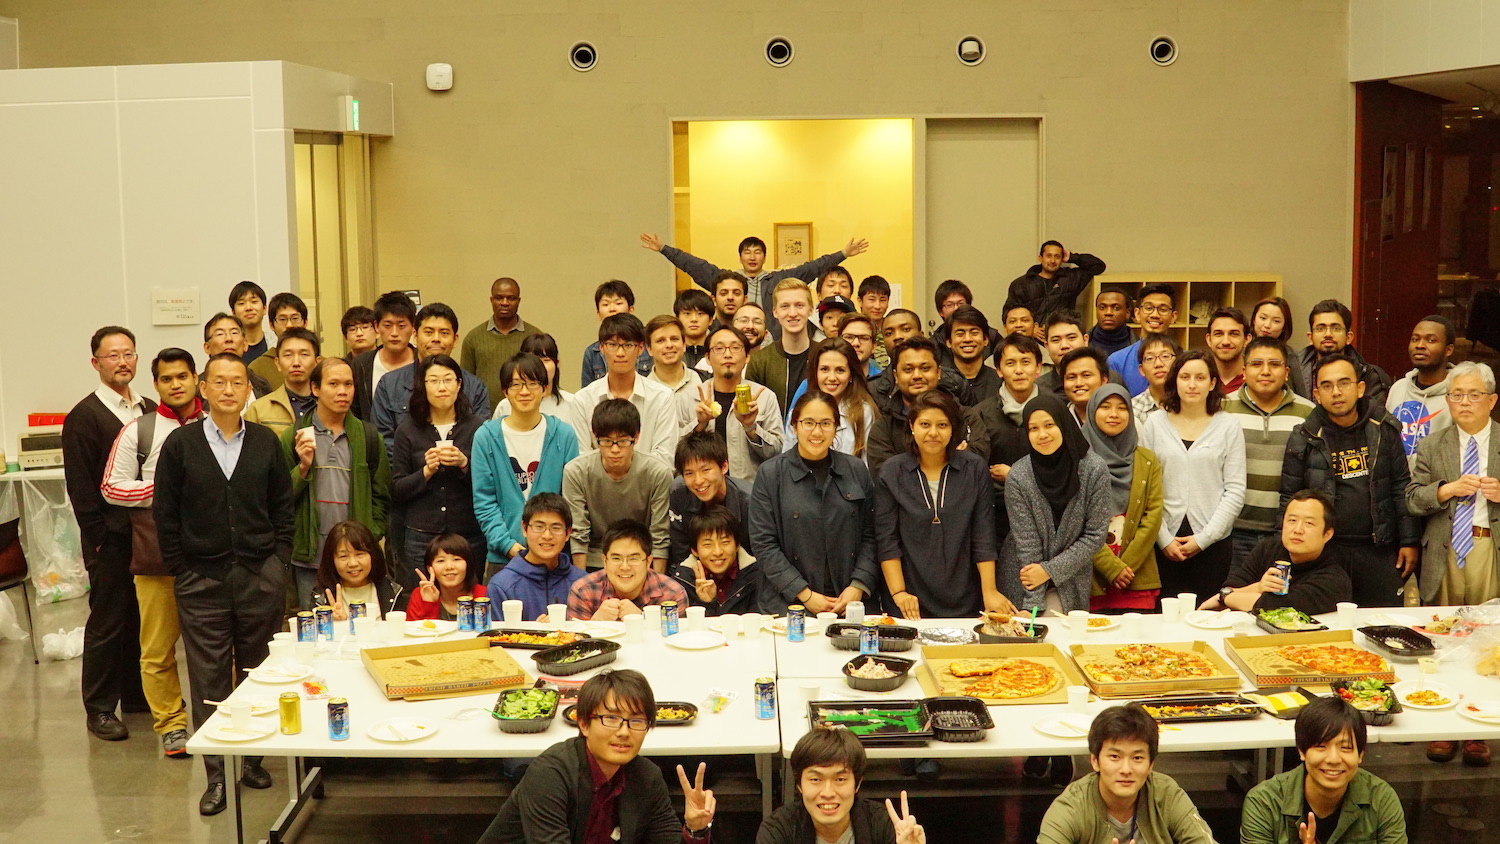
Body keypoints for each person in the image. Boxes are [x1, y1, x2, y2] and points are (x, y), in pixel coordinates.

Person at [153, 352, 292, 815]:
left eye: (237, 382)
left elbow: (282, 508)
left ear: (248, 389)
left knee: (257, 674)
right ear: (204, 388)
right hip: (201, 581)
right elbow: (165, 514)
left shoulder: (266, 442)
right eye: (219, 381)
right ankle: (216, 775)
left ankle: (252, 760)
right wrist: (182, 568)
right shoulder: (180, 445)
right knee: (209, 679)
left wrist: (278, 562)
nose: (229, 390)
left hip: (259, 576)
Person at [475, 669, 715, 844]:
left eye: (636, 721)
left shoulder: (646, 776)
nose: (624, 732)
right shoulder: (550, 774)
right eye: (611, 718)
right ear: (583, 723)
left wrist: (695, 830)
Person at [100, 348, 202, 758]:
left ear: (196, 379)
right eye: (166, 378)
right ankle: (172, 725)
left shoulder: (218, 424)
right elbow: (111, 487)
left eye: (183, 376)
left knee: (220, 646)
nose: (176, 384)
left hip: (212, 556)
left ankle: (223, 720)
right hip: (157, 556)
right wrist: (164, 492)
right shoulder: (138, 431)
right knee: (158, 650)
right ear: (156, 384)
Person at [1407, 361, 1500, 767]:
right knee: (1445, 639)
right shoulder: (1433, 444)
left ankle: (1480, 728)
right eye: (1457, 395)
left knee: (1488, 640)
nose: (1464, 402)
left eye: (1473, 395)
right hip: (1444, 550)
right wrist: (1446, 490)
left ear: (1491, 401)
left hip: (1488, 547)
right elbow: (1412, 498)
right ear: (1447, 401)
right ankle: (1444, 726)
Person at [64, 326, 154, 742]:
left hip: (145, 535)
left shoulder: (149, 408)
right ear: (95, 362)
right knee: (108, 621)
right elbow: (80, 486)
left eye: (128, 353)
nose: (122, 361)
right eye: (113, 355)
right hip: (109, 538)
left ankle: (135, 696)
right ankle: (99, 708)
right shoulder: (84, 416)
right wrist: (98, 537)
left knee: (141, 618)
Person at [1281, 351, 1418, 608]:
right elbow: (1290, 497)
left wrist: (1409, 540)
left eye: (1344, 383)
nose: (1336, 392)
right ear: (1316, 394)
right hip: (1325, 552)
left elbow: (1400, 486)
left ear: (1360, 388)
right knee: (1323, 623)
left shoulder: (1384, 429)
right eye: (1327, 386)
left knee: (1381, 622)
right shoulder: (1304, 435)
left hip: (1378, 549)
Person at [876, 390, 1006, 619]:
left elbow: (983, 535)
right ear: (912, 426)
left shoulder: (974, 469)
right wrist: (899, 593)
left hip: (966, 597)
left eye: (942, 425)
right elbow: (887, 540)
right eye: (925, 424)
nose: (933, 433)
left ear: (953, 428)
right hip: (908, 601)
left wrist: (990, 591)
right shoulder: (892, 471)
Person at [751, 391, 878, 615]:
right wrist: (803, 593)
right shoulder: (771, 474)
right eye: (808, 423)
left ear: (836, 427)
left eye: (826, 423)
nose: (817, 432)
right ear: (794, 426)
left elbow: (872, 535)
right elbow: (763, 543)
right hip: (788, 603)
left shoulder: (856, 470)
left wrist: (858, 585)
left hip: (848, 600)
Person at [282, 356, 391, 609]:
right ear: (315, 388)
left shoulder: (368, 436)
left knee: (361, 624)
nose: (343, 391)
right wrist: (303, 467)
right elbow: (279, 498)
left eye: (348, 384)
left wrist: (370, 534)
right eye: (333, 384)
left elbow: (382, 495)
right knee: (315, 625)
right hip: (309, 557)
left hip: (355, 559)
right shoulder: (294, 436)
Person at [1138, 350, 1247, 601]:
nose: (1192, 384)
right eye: (1185, 377)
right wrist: (1163, 539)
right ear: (1174, 381)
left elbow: (1235, 490)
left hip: (1213, 542)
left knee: (1206, 614)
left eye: (1200, 377)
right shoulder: (1155, 423)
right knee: (1164, 616)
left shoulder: (1228, 426)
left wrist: (1204, 539)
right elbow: (1144, 488)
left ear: (1212, 383)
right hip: (1162, 539)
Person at [641, 229, 869, 341]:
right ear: (740, 257)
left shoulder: (778, 280)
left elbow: (812, 268)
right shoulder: (726, 280)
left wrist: (843, 254)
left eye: (757, 252)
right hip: (730, 338)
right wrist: (664, 249)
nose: (752, 257)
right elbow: (694, 265)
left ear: (764, 257)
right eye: (747, 252)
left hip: (772, 341)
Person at [1037, 703, 1215, 844]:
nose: (1126, 769)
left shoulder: (1166, 794)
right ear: (1095, 761)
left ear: (1151, 764)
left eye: (1137, 758)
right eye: (1115, 757)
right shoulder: (1070, 807)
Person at [999, 394, 1112, 612]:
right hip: (1024, 578)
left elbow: (1095, 535)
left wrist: (1049, 570)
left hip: (1070, 576)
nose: (1042, 434)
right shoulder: (1019, 475)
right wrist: (1032, 605)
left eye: (1049, 425)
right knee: (1029, 630)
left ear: (1063, 423)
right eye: (1033, 428)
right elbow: (1027, 543)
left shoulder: (1094, 469)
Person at [1239, 697, 1407, 844]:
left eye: (1346, 747)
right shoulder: (1265, 803)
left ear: (1360, 754)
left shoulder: (1381, 799)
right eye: (1320, 746)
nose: (1333, 759)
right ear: (1301, 751)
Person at [472, 353, 580, 578]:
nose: (524, 391)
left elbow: (571, 499)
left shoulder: (563, 435)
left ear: (544, 388)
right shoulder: (486, 437)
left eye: (532, 383)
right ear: (505, 391)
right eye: (516, 384)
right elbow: (484, 502)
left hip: (554, 556)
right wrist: (508, 546)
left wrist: (549, 543)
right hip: (503, 559)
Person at [1223, 336, 1316, 563]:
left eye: (1274, 364)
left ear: (1286, 372)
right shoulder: (1222, 408)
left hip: (1286, 531)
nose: (1265, 371)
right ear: (1244, 371)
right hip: (1232, 530)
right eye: (1256, 364)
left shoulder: (1309, 413)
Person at [391, 353, 487, 569]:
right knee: (422, 589)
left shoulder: (478, 428)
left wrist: (464, 464)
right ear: (423, 386)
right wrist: (426, 472)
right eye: (433, 381)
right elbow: (397, 489)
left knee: (469, 589)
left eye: (448, 380)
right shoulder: (407, 431)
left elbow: (489, 485)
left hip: (468, 534)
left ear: (459, 384)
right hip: (421, 535)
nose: (441, 387)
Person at [757, 727, 926, 844]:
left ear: (857, 784)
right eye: (815, 779)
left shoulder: (882, 825)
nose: (828, 793)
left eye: (840, 780)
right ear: (799, 785)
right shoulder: (778, 831)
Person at [1200, 489, 1352, 616]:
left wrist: (1225, 597)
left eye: (1309, 523)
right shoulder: (1268, 549)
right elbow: (1233, 586)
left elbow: (1274, 606)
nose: (1298, 530)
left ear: (1327, 534)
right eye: (1292, 520)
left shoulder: (1333, 578)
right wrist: (1258, 587)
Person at [1083, 385, 1165, 613]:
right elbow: (1075, 522)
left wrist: (1124, 567)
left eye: (1121, 408)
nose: (1114, 414)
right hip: (1091, 578)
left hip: (1135, 577)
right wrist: (1110, 567)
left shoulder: (1147, 460)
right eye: (1105, 407)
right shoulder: (1077, 460)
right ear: (1092, 411)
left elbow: (1153, 516)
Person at [563, 400, 672, 570]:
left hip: (641, 559)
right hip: (595, 559)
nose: (614, 449)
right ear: (595, 436)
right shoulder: (576, 471)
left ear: (636, 437)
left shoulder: (658, 472)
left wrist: (658, 582)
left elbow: (660, 536)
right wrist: (581, 580)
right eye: (606, 441)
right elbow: (579, 534)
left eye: (622, 441)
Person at [372, 302, 492, 453]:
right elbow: (383, 441)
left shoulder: (474, 387)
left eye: (444, 333)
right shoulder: (389, 384)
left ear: (455, 339)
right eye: (428, 332)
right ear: (415, 336)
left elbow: (482, 441)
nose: (436, 339)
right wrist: (418, 464)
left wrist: (460, 462)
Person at [568, 313, 681, 466]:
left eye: (628, 345)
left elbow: (665, 457)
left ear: (640, 348)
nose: (620, 353)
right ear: (601, 348)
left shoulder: (661, 397)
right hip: (597, 481)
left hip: (650, 480)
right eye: (612, 345)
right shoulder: (583, 400)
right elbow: (581, 459)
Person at [965, 333, 1044, 549]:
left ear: (1038, 367)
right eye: (1010, 363)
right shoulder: (980, 414)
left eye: (1025, 362)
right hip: (994, 516)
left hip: (1043, 513)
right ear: (999, 370)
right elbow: (976, 472)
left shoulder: (1053, 411)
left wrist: (1014, 477)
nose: (1019, 370)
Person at [687, 325, 782, 480]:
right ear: (707, 358)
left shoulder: (765, 397)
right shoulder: (689, 398)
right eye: (719, 348)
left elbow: (777, 453)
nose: (728, 354)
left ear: (747, 356)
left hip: (749, 489)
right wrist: (700, 424)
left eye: (735, 348)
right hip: (701, 486)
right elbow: (677, 453)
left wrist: (751, 427)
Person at [868, 336, 971, 475]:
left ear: (938, 372)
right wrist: (950, 460)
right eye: (908, 369)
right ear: (896, 376)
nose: (917, 375)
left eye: (925, 368)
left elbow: (973, 466)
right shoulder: (883, 428)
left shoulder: (966, 417)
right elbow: (887, 477)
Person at [485, 493, 584, 622]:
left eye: (556, 528)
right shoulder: (501, 585)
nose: (547, 535)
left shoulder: (582, 583)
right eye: (539, 527)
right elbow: (496, 634)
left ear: (568, 533)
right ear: (524, 529)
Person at [566, 520, 689, 620]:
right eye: (616, 558)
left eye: (633, 559)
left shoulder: (672, 594)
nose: (625, 567)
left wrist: (642, 620)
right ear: (604, 561)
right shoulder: (583, 590)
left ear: (648, 562)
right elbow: (575, 641)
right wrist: (595, 624)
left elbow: (675, 641)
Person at [782, 337, 879, 463]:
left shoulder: (864, 413)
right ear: (815, 372)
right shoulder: (799, 412)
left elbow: (866, 467)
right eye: (824, 369)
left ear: (851, 374)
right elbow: (787, 463)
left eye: (840, 370)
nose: (832, 377)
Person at [669, 432, 753, 570]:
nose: (698, 481)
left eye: (705, 470)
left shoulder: (750, 502)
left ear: (724, 466)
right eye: (689, 473)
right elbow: (681, 553)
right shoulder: (679, 493)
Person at [1290, 299, 1393, 407]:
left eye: (1336, 328)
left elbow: (1373, 415)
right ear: (1310, 337)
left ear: (1349, 337)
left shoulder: (1369, 375)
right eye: (1320, 328)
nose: (1328, 334)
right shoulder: (1292, 371)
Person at [1387, 314, 1456, 465]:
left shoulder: (1459, 394)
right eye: (1415, 339)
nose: (1420, 345)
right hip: (1397, 478)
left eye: (1431, 340)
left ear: (1448, 350)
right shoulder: (1398, 388)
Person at [460, 276, 541, 402]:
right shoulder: (473, 338)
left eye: (511, 298)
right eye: (499, 298)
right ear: (491, 300)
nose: (505, 303)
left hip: (526, 410)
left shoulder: (534, 336)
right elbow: (466, 384)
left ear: (519, 301)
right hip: (484, 412)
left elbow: (542, 380)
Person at [673, 506, 762, 616]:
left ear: (737, 545)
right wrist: (706, 603)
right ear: (695, 550)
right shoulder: (682, 582)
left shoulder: (756, 575)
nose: (717, 552)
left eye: (725, 542)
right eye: (707, 544)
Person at [746, 279, 819, 411]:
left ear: (811, 309)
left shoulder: (824, 355)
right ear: (775, 312)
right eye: (785, 306)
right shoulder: (759, 361)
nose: (792, 313)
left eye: (799, 305)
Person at [350, 290, 417, 421]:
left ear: (413, 327)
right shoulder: (361, 364)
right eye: (387, 325)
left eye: (401, 326)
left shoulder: (423, 362)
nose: (394, 333)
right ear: (376, 326)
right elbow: (354, 413)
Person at [1005, 241, 1107, 327]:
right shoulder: (1021, 284)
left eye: (1057, 257)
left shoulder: (1071, 278)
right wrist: (1031, 329)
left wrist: (1072, 257)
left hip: (1063, 334)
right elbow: (1008, 313)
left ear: (1062, 259)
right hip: (1032, 338)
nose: (1053, 261)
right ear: (1040, 258)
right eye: (1048, 256)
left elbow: (1098, 266)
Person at [310, 519, 396, 619]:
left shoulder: (394, 592)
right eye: (343, 556)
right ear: (331, 560)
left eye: (359, 554)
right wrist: (332, 622)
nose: (353, 563)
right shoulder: (321, 598)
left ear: (373, 555)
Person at [244, 326, 320, 436]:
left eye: (304, 354)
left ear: (317, 362)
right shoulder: (258, 409)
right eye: (288, 355)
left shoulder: (330, 406)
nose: (296, 363)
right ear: (278, 363)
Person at [1108, 283, 1178, 397]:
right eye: (1149, 308)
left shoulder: (1184, 360)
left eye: (1163, 309)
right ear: (1137, 314)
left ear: (1173, 316)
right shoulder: (1117, 362)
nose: (1155, 314)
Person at [580, 280, 653, 388]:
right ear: (598, 313)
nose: (612, 309)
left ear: (631, 310)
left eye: (618, 303)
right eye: (605, 304)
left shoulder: (648, 344)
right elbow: (588, 391)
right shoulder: (592, 352)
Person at [1039, 310, 1125, 399]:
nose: (1064, 345)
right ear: (1047, 346)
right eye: (1056, 340)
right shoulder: (1040, 389)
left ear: (1085, 340)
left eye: (1071, 338)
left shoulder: (1112, 379)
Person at [404, 532, 485, 622]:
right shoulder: (420, 595)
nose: (449, 567)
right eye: (441, 561)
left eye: (456, 559)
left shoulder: (484, 594)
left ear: (468, 564)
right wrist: (429, 603)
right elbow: (415, 629)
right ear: (429, 568)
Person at [493, 332, 574, 416]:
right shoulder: (505, 406)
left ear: (557, 363)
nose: (539, 366)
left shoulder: (572, 403)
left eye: (545, 360)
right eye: (533, 361)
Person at [646, 315, 704, 432]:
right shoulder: (643, 391)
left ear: (684, 345)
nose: (669, 345)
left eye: (674, 339)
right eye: (660, 341)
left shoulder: (704, 381)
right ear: (649, 349)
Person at [930, 280, 1001, 366]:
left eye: (961, 303)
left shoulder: (991, 336)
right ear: (940, 311)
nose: (956, 308)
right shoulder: (934, 344)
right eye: (950, 305)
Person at [246, 291, 308, 390]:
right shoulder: (258, 368)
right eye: (282, 319)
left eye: (295, 318)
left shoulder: (321, 365)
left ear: (305, 322)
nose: (289, 325)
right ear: (271, 325)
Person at [202, 312, 272, 398]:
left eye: (234, 333)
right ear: (207, 347)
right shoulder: (196, 388)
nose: (229, 339)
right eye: (220, 334)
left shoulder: (261, 385)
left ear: (245, 344)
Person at [943, 305, 1002, 401]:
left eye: (974, 333)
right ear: (949, 342)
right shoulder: (941, 381)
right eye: (960, 334)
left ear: (985, 340)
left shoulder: (1000, 381)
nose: (967, 339)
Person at [1131, 333, 1180, 426]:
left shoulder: (1190, 403)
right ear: (1142, 370)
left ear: (1179, 363)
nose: (1158, 364)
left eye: (1165, 356)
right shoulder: (1133, 409)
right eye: (1150, 358)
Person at [1057, 347, 1113, 427]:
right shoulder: (1057, 422)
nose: (1079, 383)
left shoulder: (1118, 418)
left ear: (1103, 380)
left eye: (1086, 375)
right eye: (1071, 377)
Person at [1207, 306, 1251, 395]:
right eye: (1218, 334)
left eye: (1234, 334)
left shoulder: (1255, 381)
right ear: (1209, 340)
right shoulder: (1199, 379)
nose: (1225, 342)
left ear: (1247, 339)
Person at [229, 280, 270, 364]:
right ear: (233, 313)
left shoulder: (277, 344)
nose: (248, 308)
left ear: (264, 309)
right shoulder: (229, 346)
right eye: (241, 303)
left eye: (254, 302)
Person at [857, 274, 893, 370]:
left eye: (882, 300)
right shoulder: (852, 328)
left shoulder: (892, 330)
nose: (877, 306)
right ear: (860, 301)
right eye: (872, 299)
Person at [675, 288, 716, 368]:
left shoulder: (718, 350)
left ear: (710, 320)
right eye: (687, 313)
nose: (694, 319)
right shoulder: (671, 350)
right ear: (677, 318)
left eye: (700, 314)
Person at [1088, 285, 1134, 356]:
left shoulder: (1140, 347)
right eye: (1102, 307)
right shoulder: (1082, 344)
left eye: (1116, 308)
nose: (1108, 312)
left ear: (1127, 313)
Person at [836, 312, 883, 379]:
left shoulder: (883, 381)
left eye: (864, 338)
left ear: (874, 346)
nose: (856, 343)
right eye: (849, 337)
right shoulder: (826, 379)